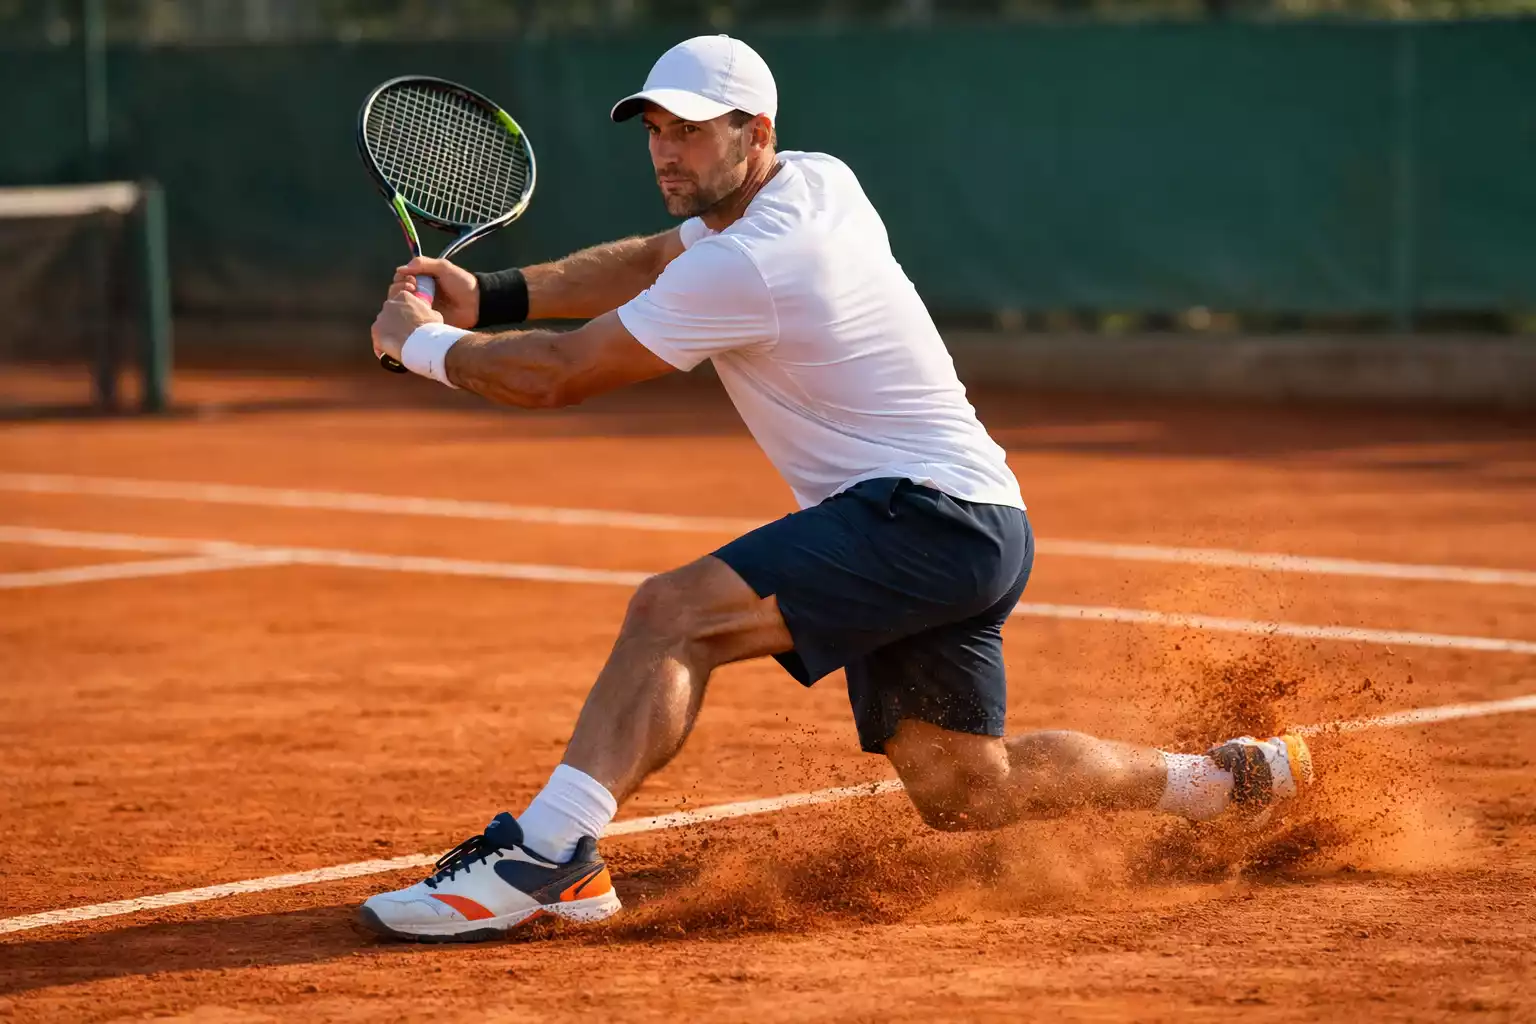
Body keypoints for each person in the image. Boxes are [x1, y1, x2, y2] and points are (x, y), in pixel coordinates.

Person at [357, 35, 1312, 943]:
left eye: (692, 130)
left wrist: (423, 344)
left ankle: (549, 855)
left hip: (924, 516)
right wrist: (492, 295)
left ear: (755, 132)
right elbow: (653, 257)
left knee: (671, 615)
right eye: (655, 129)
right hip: (976, 521)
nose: (667, 151)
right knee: (967, 791)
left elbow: (561, 374)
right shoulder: (818, 179)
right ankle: (1220, 783)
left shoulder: (754, 261)